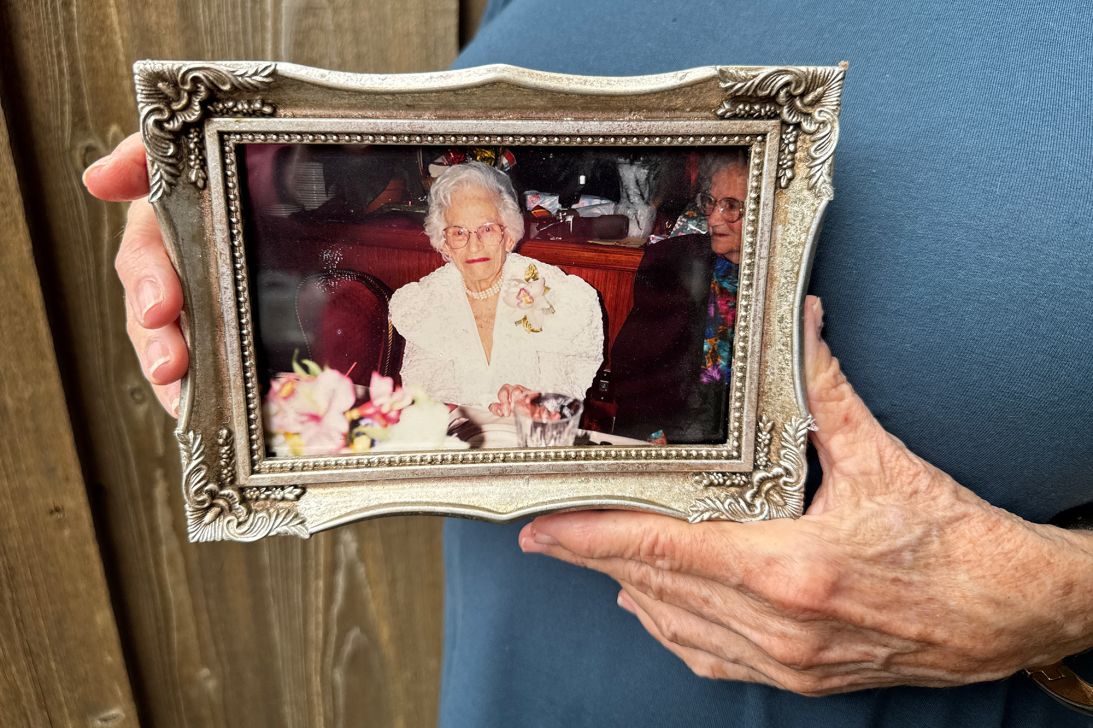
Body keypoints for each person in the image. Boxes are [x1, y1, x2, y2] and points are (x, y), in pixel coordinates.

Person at [89, 1, 1093, 725]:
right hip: (527, 665)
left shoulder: (567, 298)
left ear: (519, 231)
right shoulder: (419, 301)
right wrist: (225, 211)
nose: (475, 242)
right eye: (458, 227)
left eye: (494, 225)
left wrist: (1055, 598)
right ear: (437, 238)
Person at [388, 161, 604, 414]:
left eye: (487, 229)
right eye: (459, 232)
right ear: (444, 244)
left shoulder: (555, 295)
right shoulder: (426, 304)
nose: (474, 245)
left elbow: (562, 395)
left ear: (509, 235)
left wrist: (534, 402)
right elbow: (428, 400)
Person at [611, 150, 747, 443]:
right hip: (673, 431)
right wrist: (653, 431)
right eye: (710, 202)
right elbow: (631, 368)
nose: (713, 218)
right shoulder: (673, 263)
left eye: (732, 206)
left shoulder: (782, 281)